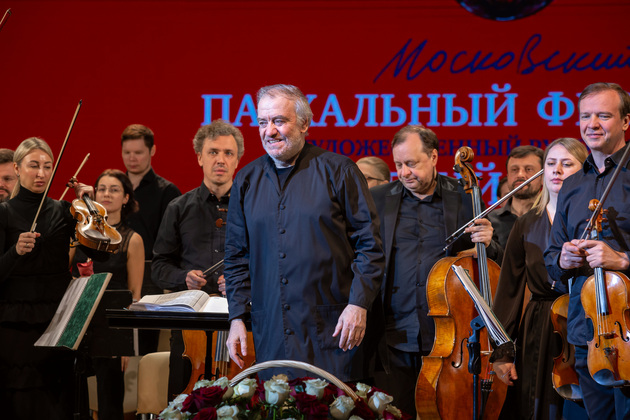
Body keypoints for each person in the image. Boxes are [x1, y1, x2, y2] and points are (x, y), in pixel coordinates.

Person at [224, 84, 384, 381]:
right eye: (262, 122)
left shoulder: (340, 171)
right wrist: (236, 318)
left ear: (304, 124)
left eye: (279, 121)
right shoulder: (246, 180)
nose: (270, 131)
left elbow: (370, 247)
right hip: (272, 331)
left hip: (333, 332)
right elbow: (236, 257)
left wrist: (358, 303)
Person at [369, 124, 503, 417]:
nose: (405, 172)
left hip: (448, 333)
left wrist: (488, 243)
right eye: (399, 165)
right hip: (393, 333)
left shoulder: (464, 195)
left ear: (433, 157)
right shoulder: (378, 199)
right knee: (393, 413)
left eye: (412, 163)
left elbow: (490, 255)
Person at [545, 82, 630, 419]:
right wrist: (563, 259)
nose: (592, 124)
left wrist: (623, 259)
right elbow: (552, 260)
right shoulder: (572, 185)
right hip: (588, 332)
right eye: (585, 116)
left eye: (603, 116)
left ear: (625, 121)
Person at [0, 137, 98, 419]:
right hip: (16, 324)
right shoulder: (4, 213)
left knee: (60, 401)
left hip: (59, 320)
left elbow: (101, 252)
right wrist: (15, 252)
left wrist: (89, 206)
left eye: (47, 166)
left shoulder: (65, 211)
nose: (41, 173)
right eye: (33, 165)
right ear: (17, 168)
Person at [492, 138, 588, 420]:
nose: (556, 170)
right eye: (551, 163)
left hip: (586, 322)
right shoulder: (526, 222)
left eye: (567, 163)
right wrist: (502, 352)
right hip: (540, 327)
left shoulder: (594, 219)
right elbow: (509, 291)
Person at [152, 119, 244, 398]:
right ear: (199, 158)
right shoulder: (178, 208)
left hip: (240, 320)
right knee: (184, 400)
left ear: (237, 160)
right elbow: (159, 267)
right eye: (213, 152)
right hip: (190, 323)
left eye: (228, 153)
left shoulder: (251, 208)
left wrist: (242, 280)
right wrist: (184, 278)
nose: (220, 159)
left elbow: (270, 263)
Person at [70, 169, 144, 420]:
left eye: (114, 190)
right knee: (75, 395)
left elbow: (134, 295)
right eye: (101, 189)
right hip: (79, 319)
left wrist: (126, 342)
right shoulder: (79, 232)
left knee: (109, 399)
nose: (106, 194)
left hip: (112, 326)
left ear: (126, 198)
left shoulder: (132, 239)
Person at [120, 124, 181, 354]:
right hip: (116, 274)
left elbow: (171, 244)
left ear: (152, 151)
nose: (132, 158)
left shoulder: (167, 192)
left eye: (138, 152)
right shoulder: (113, 189)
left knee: (145, 348)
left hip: (150, 278)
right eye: (127, 152)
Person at [489, 145, 544, 248]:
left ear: (543, 178)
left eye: (528, 169)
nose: (520, 175)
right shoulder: (490, 221)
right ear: (508, 176)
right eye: (514, 170)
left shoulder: (553, 217)